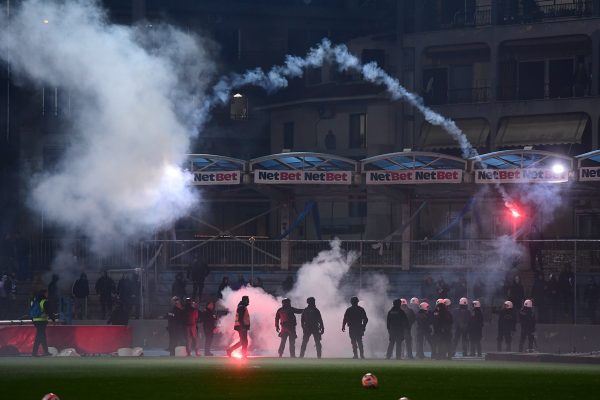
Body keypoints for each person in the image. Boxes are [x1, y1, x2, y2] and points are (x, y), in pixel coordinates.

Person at [30, 290, 53, 356]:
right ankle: (34, 352)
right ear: (44, 294)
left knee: (43, 336)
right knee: (39, 336)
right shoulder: (44, 301)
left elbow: (31, 310)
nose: (47, 294)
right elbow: (49, 311)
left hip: (35, 320)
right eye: (46, 293)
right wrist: (53, 318)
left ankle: (46, 351)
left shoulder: (34, 301)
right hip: (42, 321)